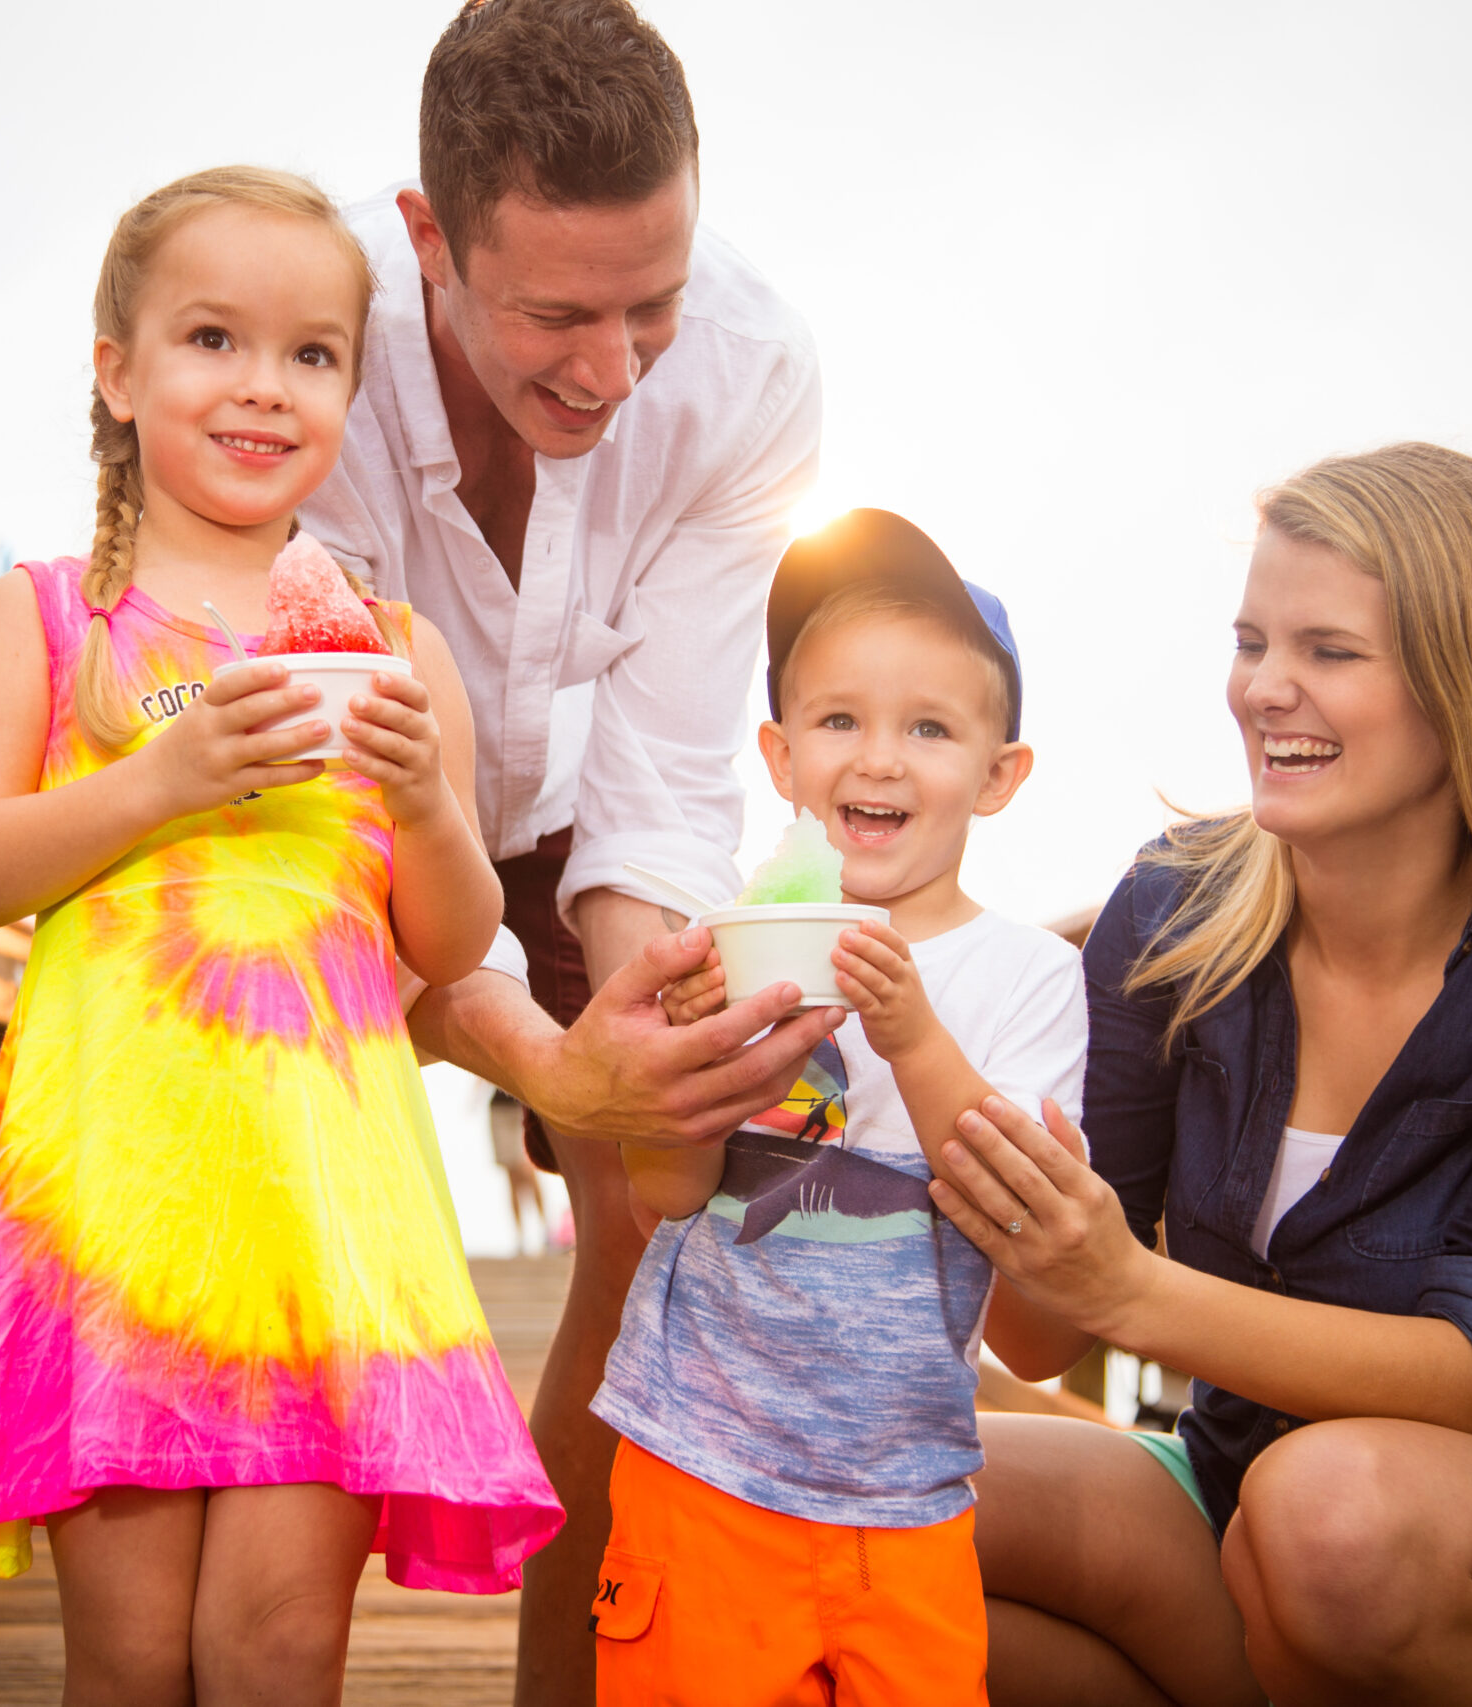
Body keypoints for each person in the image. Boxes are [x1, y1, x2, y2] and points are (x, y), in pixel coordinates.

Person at [928, 444, 1472, 1707]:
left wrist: (1127, 1284)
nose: (1265, 689)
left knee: (1332, 1519)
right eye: (1251, 640)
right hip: (1240, 1493)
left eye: (1328, 651)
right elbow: (1041, 1339)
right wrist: (922, 1074)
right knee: (872, 1496)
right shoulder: (1171, 914)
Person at [0, 167, 562, 1705]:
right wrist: (162, 781)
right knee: (129, 1658)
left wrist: (435, 809)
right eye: (213, 339)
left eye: (312, 354)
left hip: (321, 1205)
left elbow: (446, 939)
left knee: (274, 1648)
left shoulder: (396, 647)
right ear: (119, 372)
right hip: (111, 1203)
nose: (265, 386)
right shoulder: (47, 618)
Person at [296, 4, 834, 1691]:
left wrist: (628, 1052)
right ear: (429, 243)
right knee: (291, 1212)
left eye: (649, 305)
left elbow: (671, 774)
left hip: (587, 799)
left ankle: (573, 1686)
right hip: (332, 795)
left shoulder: (750, 368)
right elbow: (335, 828)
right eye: (556, 317)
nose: (612, 371)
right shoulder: (310, 342)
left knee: (650, 1218)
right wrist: (535, 1049)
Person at [594, 511, 1089, 1704]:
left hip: (906, 1491)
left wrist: (908, 1031)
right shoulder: (718, 943)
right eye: (837, 721)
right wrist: (689, 1059)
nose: (877, 759)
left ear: (998, 774)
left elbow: (1015, 1210)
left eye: (928, 727)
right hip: (697, 1464)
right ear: (778, 756)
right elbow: (664, 1196)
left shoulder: (1028, 974)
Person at [489, 1088, 549, 1254]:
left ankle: (546, 1229)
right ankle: (520, 1237)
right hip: (499, 1107)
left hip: (521, 1107)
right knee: (512, 1176)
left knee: (527, 1169)